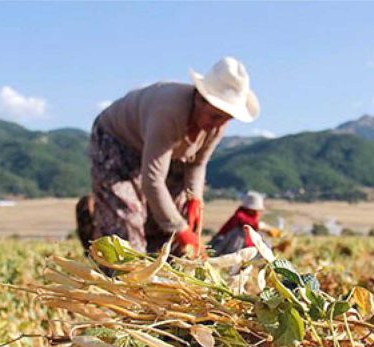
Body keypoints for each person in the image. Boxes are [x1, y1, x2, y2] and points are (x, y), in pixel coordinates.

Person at [77, 57, 259, 257]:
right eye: (215, 117)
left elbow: (197, 164)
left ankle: (162, 271)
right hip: (118, 140)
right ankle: (118, 267)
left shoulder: (216, 125)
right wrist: (180, 228)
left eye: (226, 119)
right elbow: (152, 181)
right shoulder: (168, 112)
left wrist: (195, 198)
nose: (218, 125)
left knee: (173, 214)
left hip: (163, 151)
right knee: (127, 217)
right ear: (199, 98)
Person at [210, 191, 280, 255]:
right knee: (240, 232)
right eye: (255, 210)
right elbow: (245, 221)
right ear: (250, 210)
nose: (257, 213)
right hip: (219, 245)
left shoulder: (249, 218)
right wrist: (265, 228)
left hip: (230, 246)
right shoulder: (239, 216)